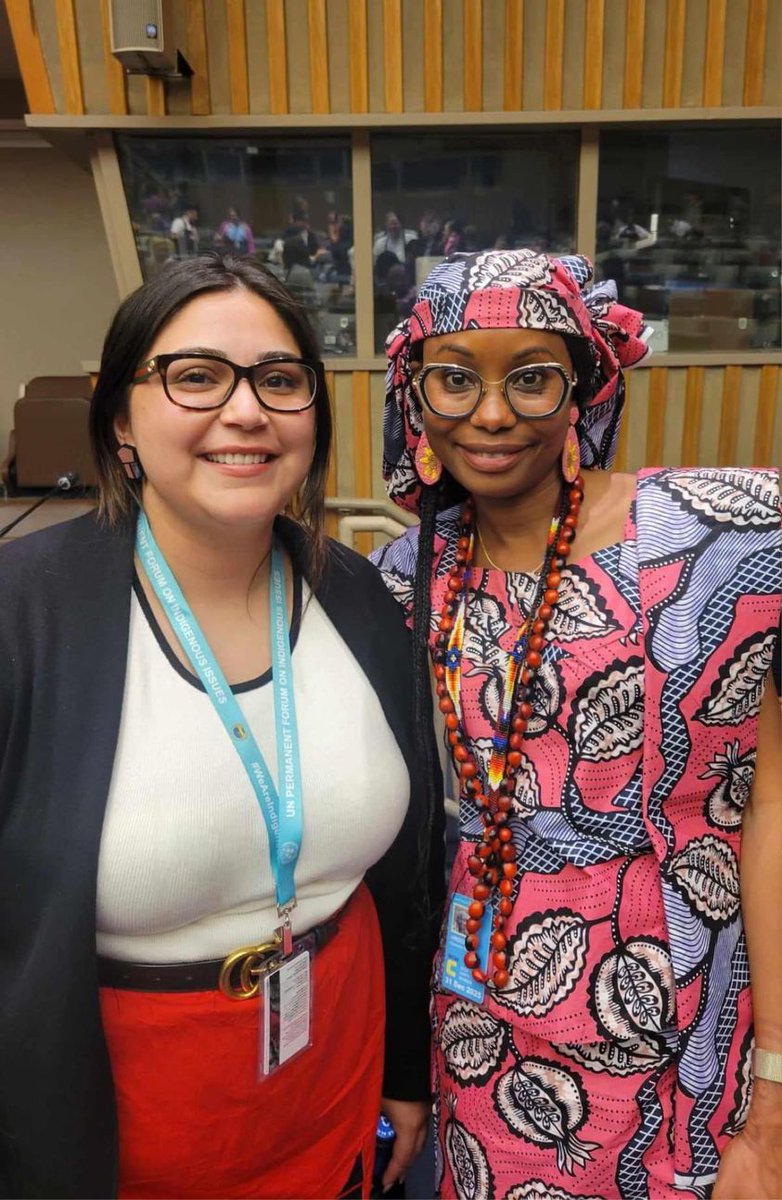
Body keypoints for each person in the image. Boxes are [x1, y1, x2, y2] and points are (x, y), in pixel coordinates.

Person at [0, 254, 444, 1199]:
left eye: (280, 381)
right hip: (106, 1119)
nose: (245, 412)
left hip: (334, 1070)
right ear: (120, 419)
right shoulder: (19, 618)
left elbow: (401, 879)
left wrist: (409, 1065)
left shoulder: (358, 594)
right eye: (195, 376)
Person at [371, 249, 782, 1199]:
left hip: (692, 1023)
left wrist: (772, 1098)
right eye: (455, 376)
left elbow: (769, 811)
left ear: (586, 384)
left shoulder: (721, 538)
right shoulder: (404, 578)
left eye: (531, 375)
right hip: (481, 1026)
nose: (491, 412)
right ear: (415, 395)